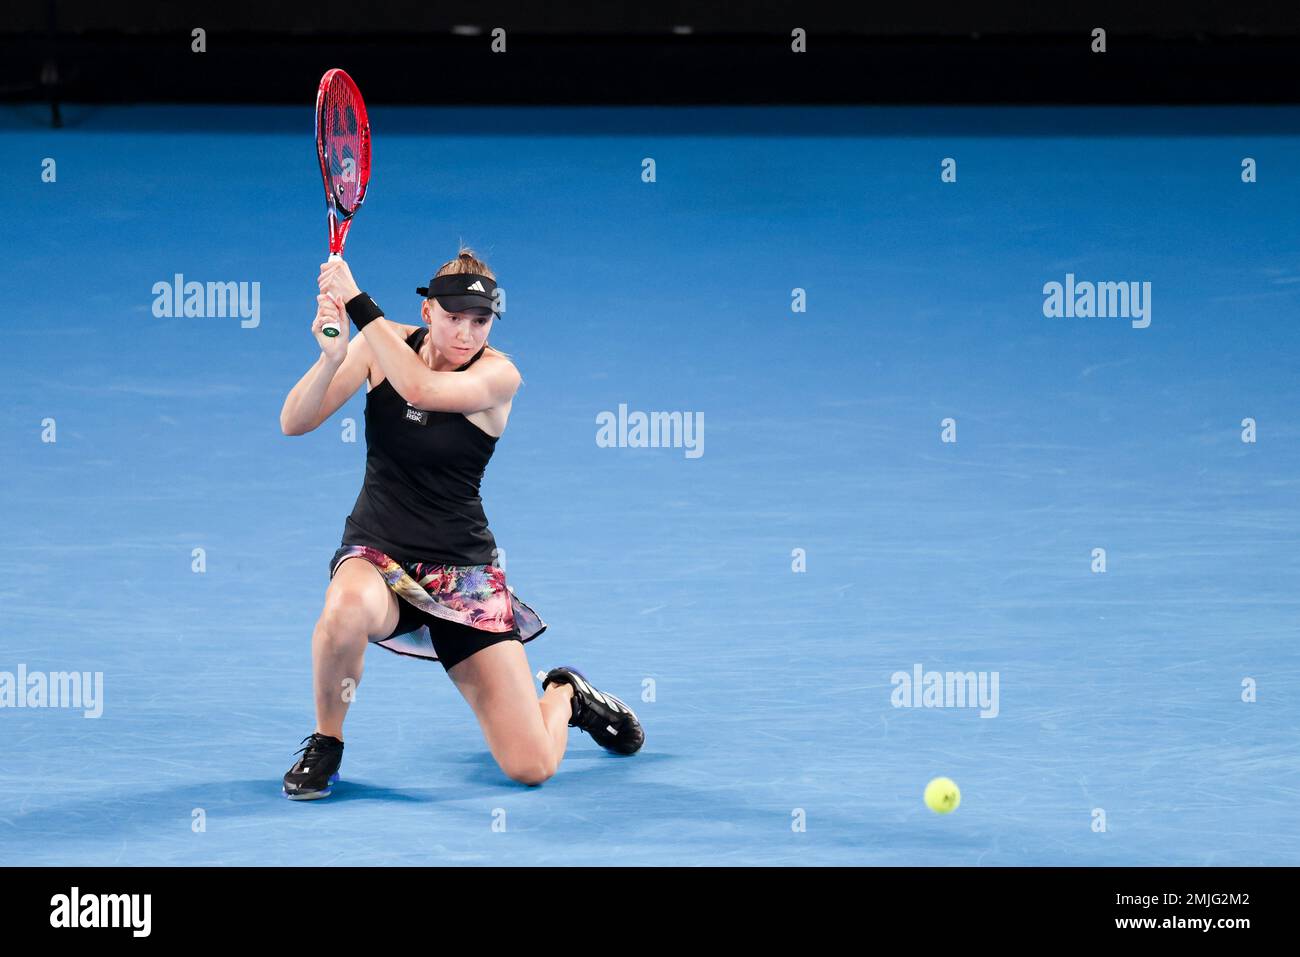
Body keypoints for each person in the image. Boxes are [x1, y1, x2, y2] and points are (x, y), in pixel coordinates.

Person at [277, 247, 643, 799]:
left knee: (531, 767)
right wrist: (331, 358)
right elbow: (293, 422)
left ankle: (565, 692)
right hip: (378, 555)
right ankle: (327, 742)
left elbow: (422, 392)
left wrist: (355, 299)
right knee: (345, 606)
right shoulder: (380, 345)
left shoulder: (500, 375)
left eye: (481, 321)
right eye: (454, 318)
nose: (468, 333)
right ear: (428, 313)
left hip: (464, 574)